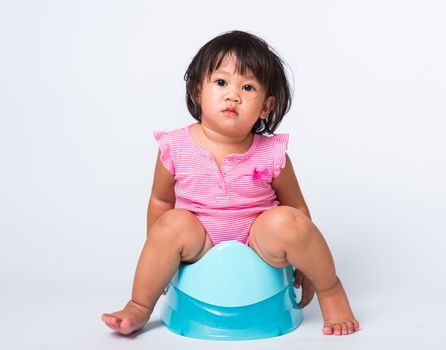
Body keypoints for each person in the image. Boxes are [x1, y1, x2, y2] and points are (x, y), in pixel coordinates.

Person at [101, 30, 359, 336]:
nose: (233, 94)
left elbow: (296, 208)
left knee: (289, 221)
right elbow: (160, 202)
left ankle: (332, 291)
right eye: (221, 82)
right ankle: (140, 306)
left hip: (260, 245)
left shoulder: (271, 154)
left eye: (248, 87)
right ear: (198, 91)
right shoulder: (176, 147)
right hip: (198, 244)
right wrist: (159, 253)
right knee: (172, 223)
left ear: (266, 106)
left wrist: (304, 263)